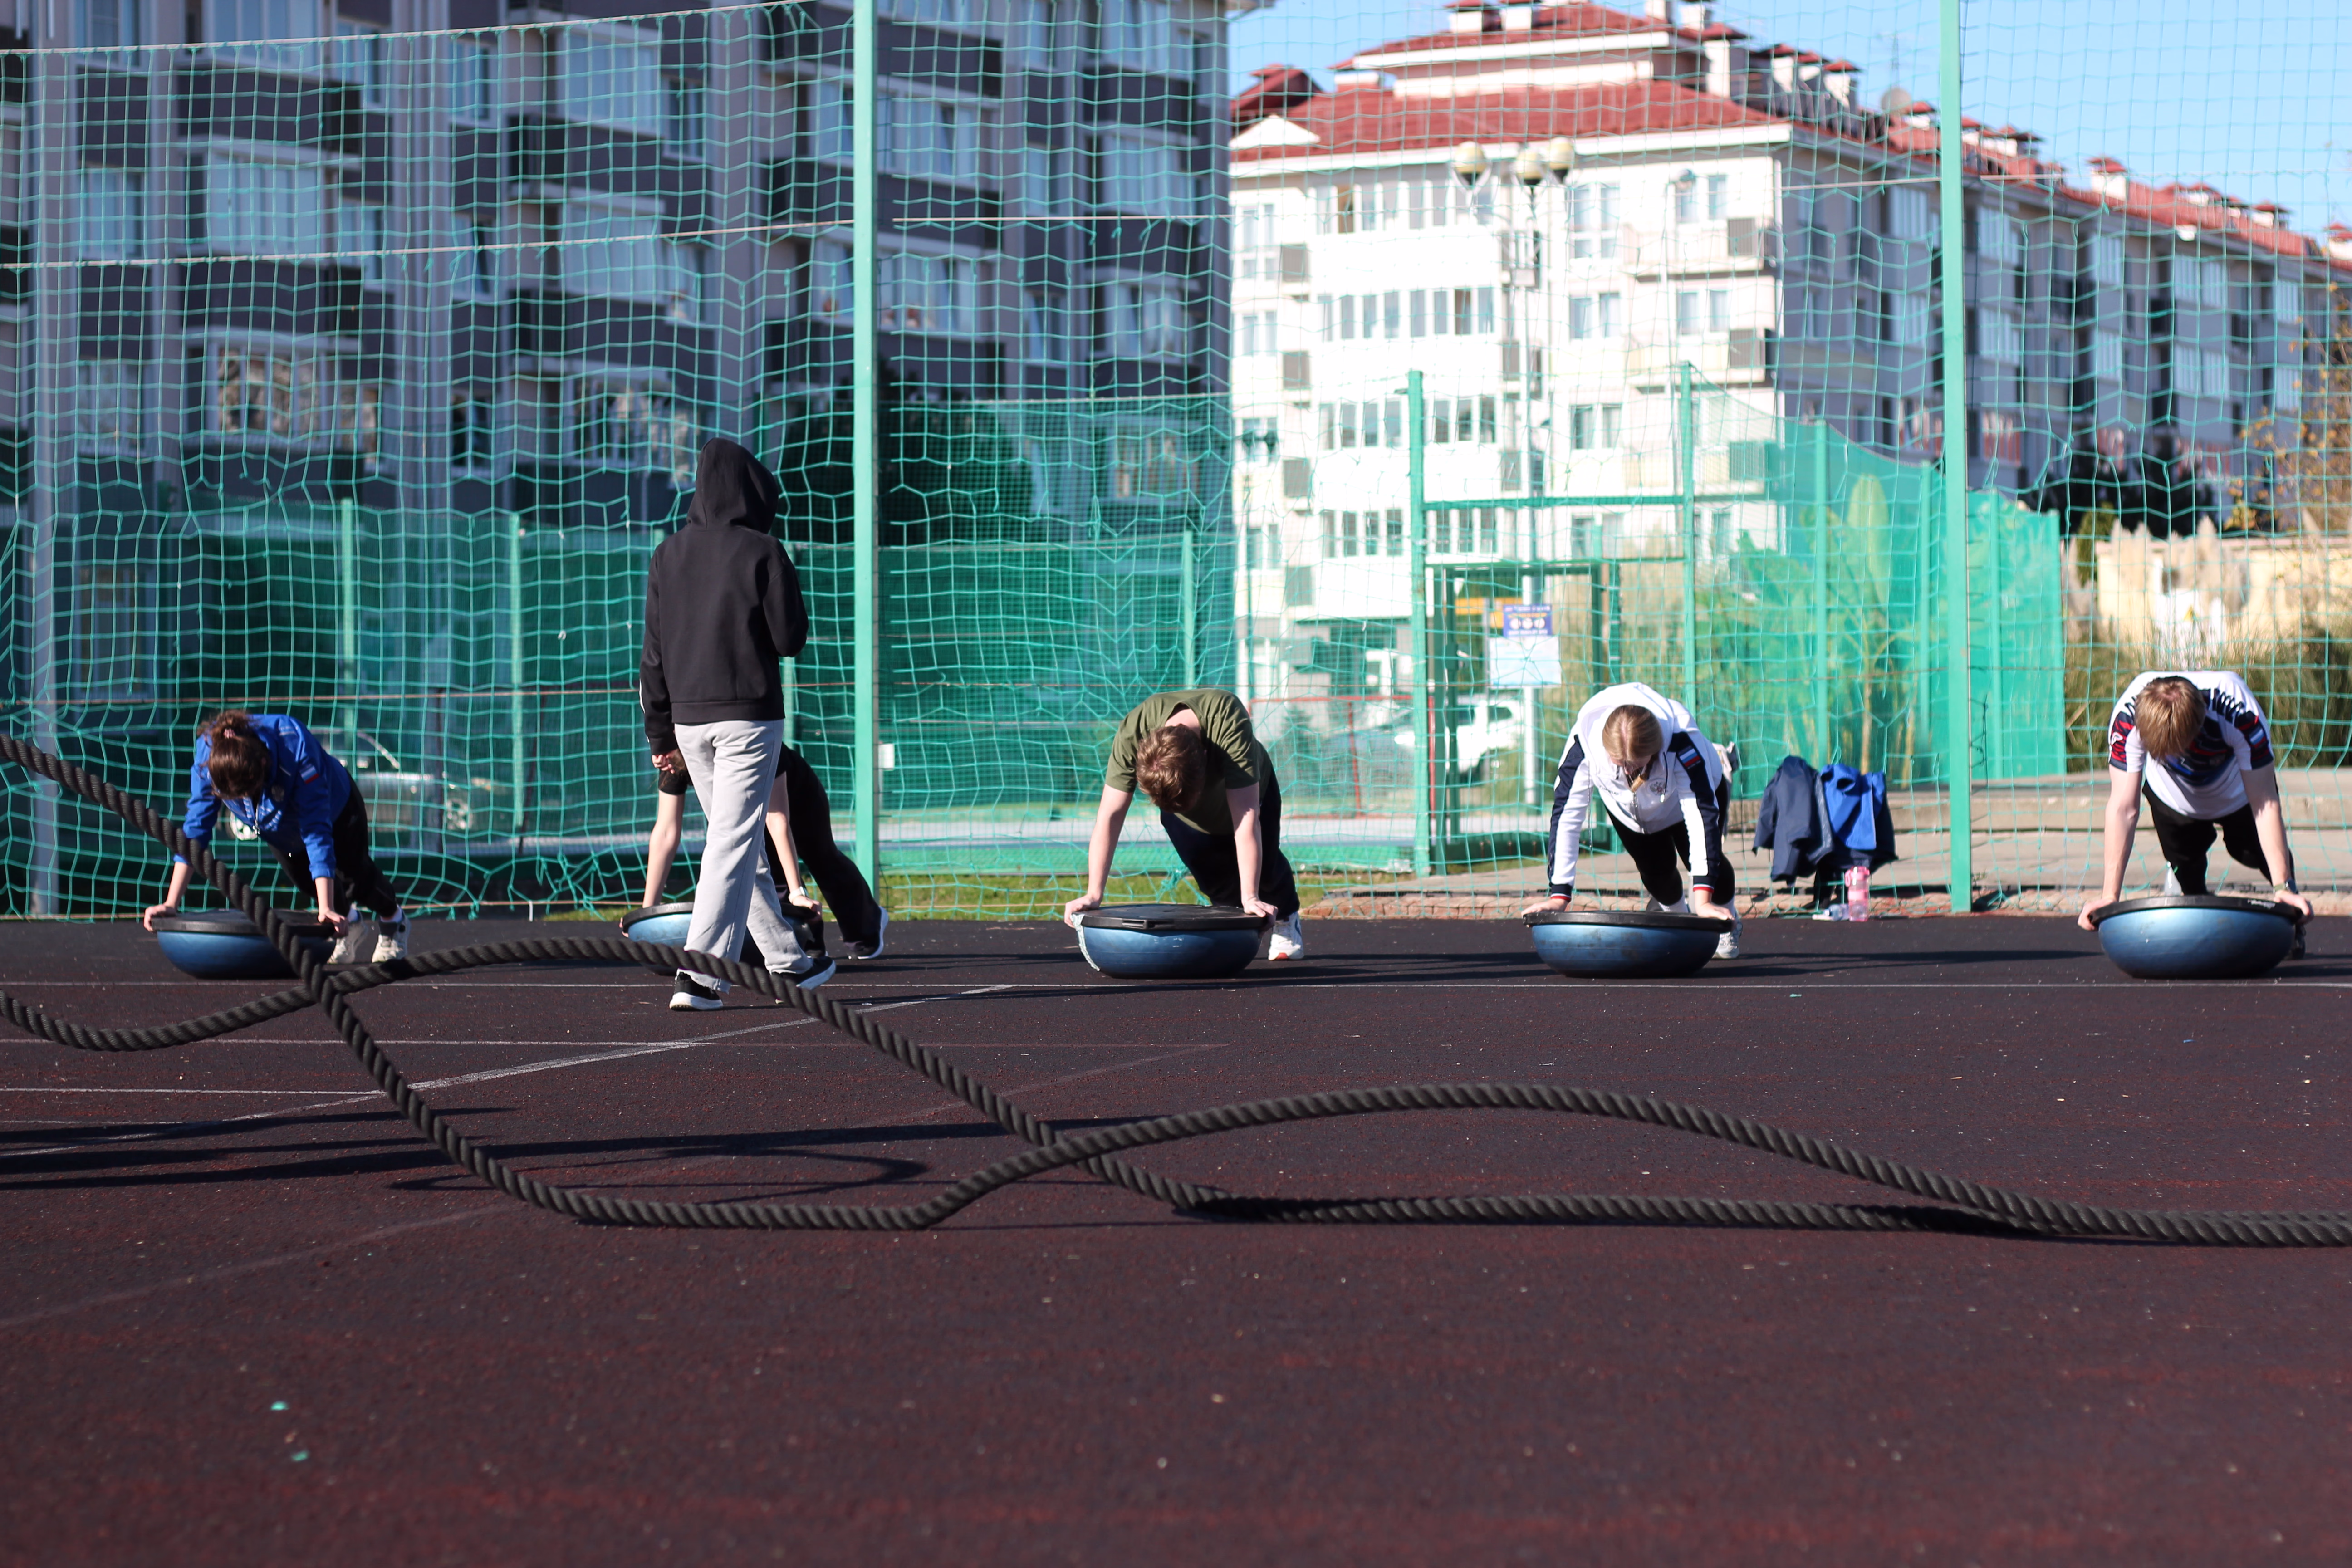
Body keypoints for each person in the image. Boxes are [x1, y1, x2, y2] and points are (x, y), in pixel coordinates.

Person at [642, 437, 828, 1009]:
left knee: (736, 842)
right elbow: (789, 639)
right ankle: (699, 976)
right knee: (732, 842)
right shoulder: (763, 550)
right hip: (748, 718)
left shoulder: (667, 554)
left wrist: (660, 732)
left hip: (690, 725)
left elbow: (653, 653)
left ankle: (787, 963)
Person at [141, 709, 410, 964]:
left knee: (354, 878)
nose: (243, 801)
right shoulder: (208, 758)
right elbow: (196, 831)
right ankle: (349, 924)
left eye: (249, 792)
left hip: (338, 811)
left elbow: (316, 832)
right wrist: (171, 903)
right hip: (279, 829)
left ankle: (393, 921)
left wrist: (325, 907)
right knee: (308, 884)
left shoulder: (295, 747)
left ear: (263, 763)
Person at [1060, 687, 1304, 959]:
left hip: (1251, 797)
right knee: (1219, 888)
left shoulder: (1227, 717)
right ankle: (1238, 930)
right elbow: (1109, 817)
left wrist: (1251, 896)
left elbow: (1247, 820)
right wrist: (1094, 894)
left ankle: (1286, 918)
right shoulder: (1134, 732)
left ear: (1203, 754)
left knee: (1266, 871)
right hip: (1188, 817)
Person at [2080, 671, 2313, 947]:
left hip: (2235, 792)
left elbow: (2265, 802)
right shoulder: (2127, 720)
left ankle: (2292, 920)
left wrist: (2282, 887)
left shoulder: (2239, 712)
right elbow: (2122, 808)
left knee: (2251, 852)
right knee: (2188, 873)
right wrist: (2110, 895)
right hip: (2173, 797)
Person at [1520, 681, 1740, 958]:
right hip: (1630, 810)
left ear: (1656, 746)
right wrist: (1559, 896)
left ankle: (1728, 921)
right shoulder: (1584, 746)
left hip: (1692, 795)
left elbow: (1699, 815)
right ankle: (1677, 930)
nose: (1628, 771)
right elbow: (1567, 815)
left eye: (1635, 764)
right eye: (1619, 763)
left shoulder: (1683, 742)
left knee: (1705, 864)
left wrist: (1704, 902)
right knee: (1657, 874)